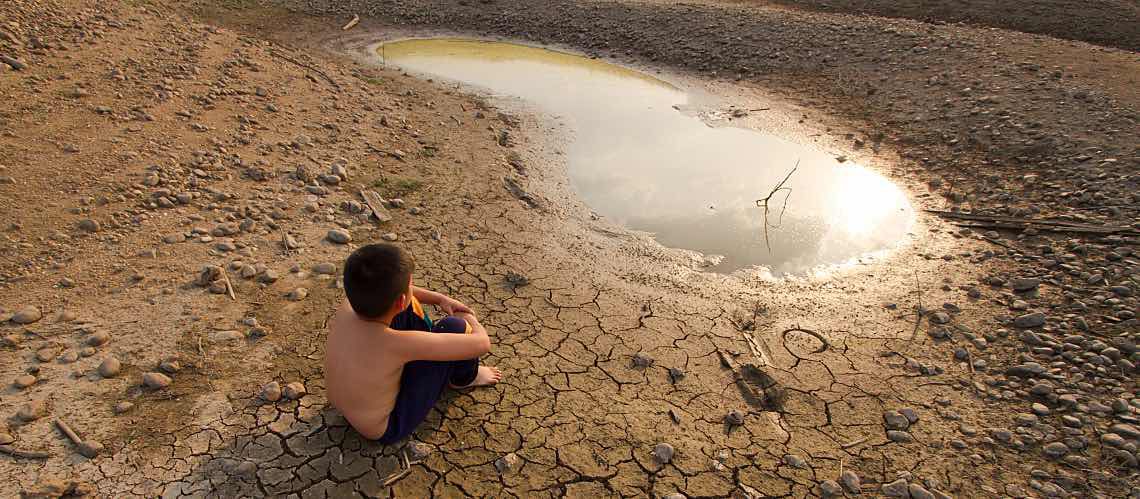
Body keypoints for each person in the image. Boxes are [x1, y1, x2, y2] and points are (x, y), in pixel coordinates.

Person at [325, 243, 502, 443]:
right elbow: (481, 343)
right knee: (454, 326)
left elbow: (400, 294)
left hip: (347, 407)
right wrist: (470, 318)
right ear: (401, 299)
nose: (412, 288)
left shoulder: (348, 307)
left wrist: (439, 299)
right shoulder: (397, 344)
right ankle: (465, 378)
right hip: (387, 426)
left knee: (407, 306)